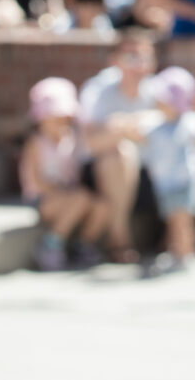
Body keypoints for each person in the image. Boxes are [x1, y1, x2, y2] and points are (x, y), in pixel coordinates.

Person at [78, 29, 162, 266]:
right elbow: (90, 143)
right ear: (114, 60)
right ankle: (120, 239)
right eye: (131, 56)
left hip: (153, 175)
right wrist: (122, 131)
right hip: (102, 174)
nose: (139, 64)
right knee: (120, 153)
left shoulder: (159, 91)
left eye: (145, 57)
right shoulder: (97, 90)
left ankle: (176, 238)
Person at [19, 77, 104, 271]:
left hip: (70, 195)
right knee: (80, 199)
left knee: (101, 206)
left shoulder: (73, 140)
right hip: (42, 198)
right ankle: (51, 244)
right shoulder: (35, 143)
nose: (62, 122)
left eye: (66, 118)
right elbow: (36, 180)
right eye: (56, 118)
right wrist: (61, 192)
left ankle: (83, 244)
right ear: (41, 118)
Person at [139, 65, 195, 277]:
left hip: (184, 180)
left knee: (182, 221)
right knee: (172, 221)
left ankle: (186, 253)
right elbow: (137, 131)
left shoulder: (188, 123)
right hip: (164, 183)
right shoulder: (155, 123)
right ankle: (176, 251)